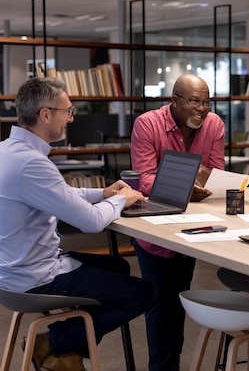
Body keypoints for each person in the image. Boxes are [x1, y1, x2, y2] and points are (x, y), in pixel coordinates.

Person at [0, 77, 152, 371]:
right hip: (35, 276)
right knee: (144, 294)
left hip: (9, 270)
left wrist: (105, 193)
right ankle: (54, 343)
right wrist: (123, 199)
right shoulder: (33, 164)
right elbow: (92, 222)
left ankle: (66, 353)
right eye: (67, 111)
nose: (70, 118)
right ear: (46, 115)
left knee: (118, 267)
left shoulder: (7, 151)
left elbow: (59, 194)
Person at [130, 74, 225, 371]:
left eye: (207, 101)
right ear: (175, 101)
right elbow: (145, 179)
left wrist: (204, 182)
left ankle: (171, 363)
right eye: (195, 101)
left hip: (191, 227)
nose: (203, 108)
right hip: (155, 232)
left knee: (178, 300)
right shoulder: (147, 124)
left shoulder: (214, 125)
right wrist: (187, 183)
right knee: (160, 304)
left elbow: (217, 173)